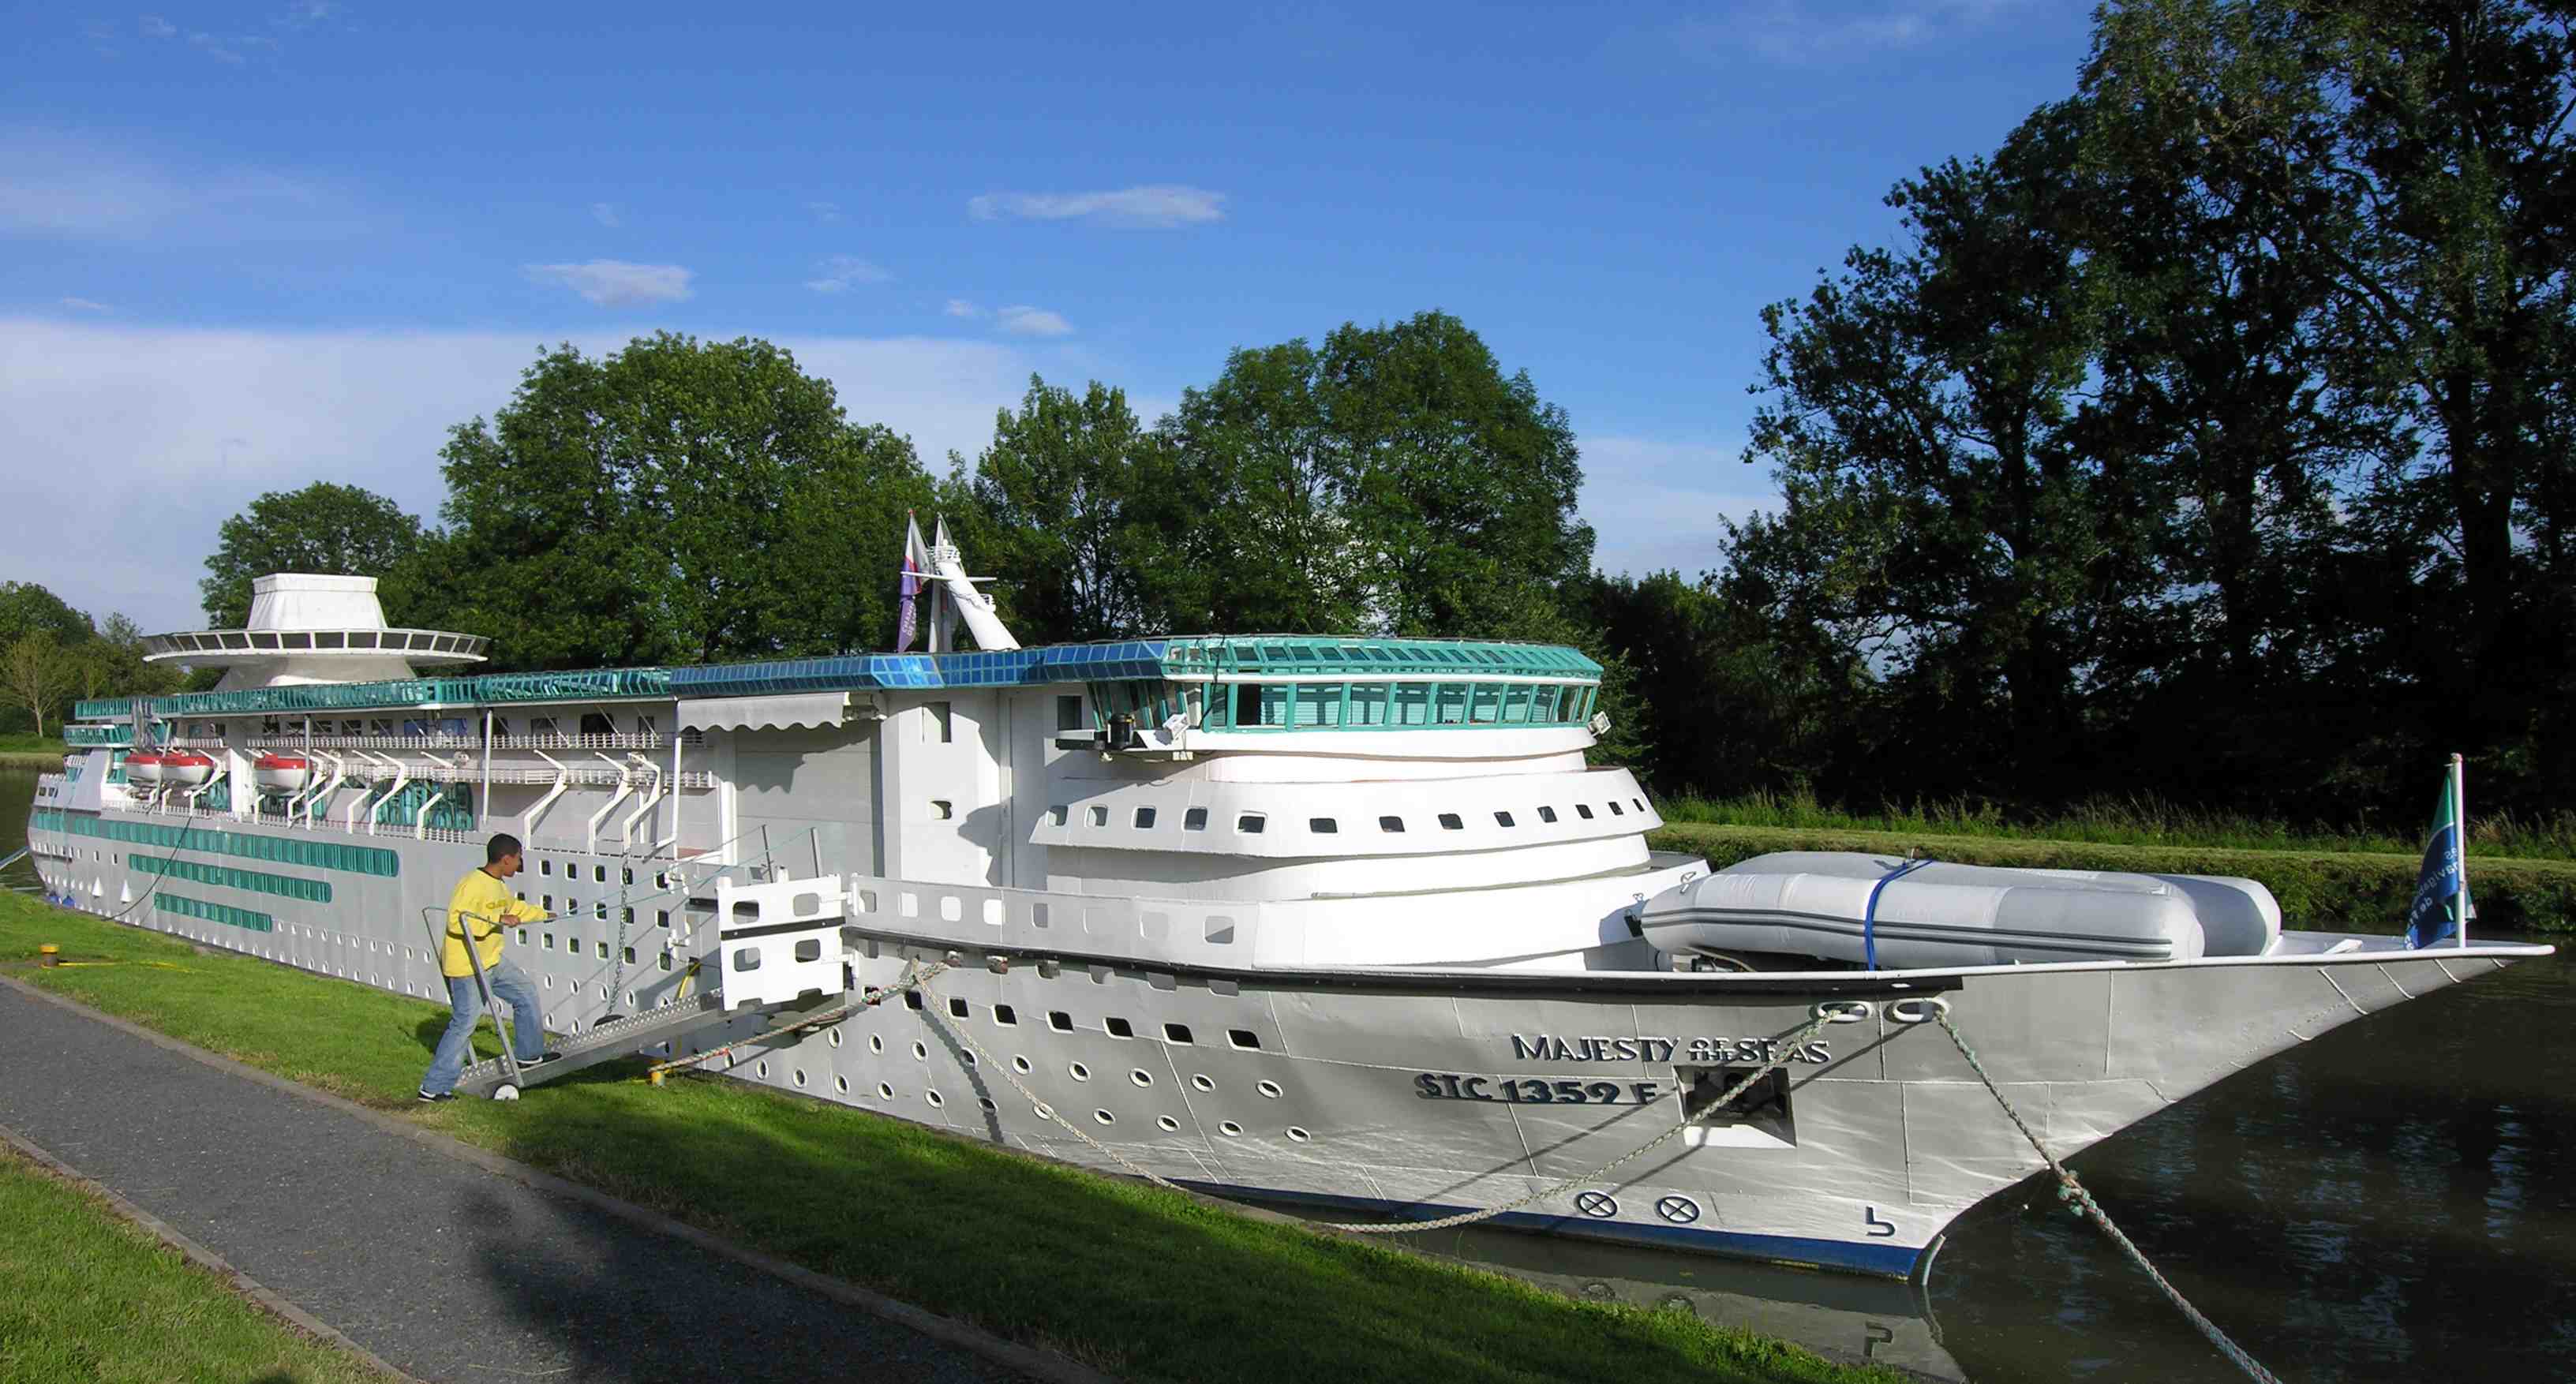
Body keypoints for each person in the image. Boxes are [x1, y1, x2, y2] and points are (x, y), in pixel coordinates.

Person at [419, 832, 558, 1102]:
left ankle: (529, 1056)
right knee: (464, 1023)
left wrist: (543, 915)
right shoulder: (471, 885)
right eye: (518, 859)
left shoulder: (498, 884)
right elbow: (457, 921)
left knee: (525, 993)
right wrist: (498, 919)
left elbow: (513, 907)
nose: (520, 864)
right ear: (505, 859)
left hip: (491, 961)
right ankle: (433, 1087)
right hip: (467, 966)